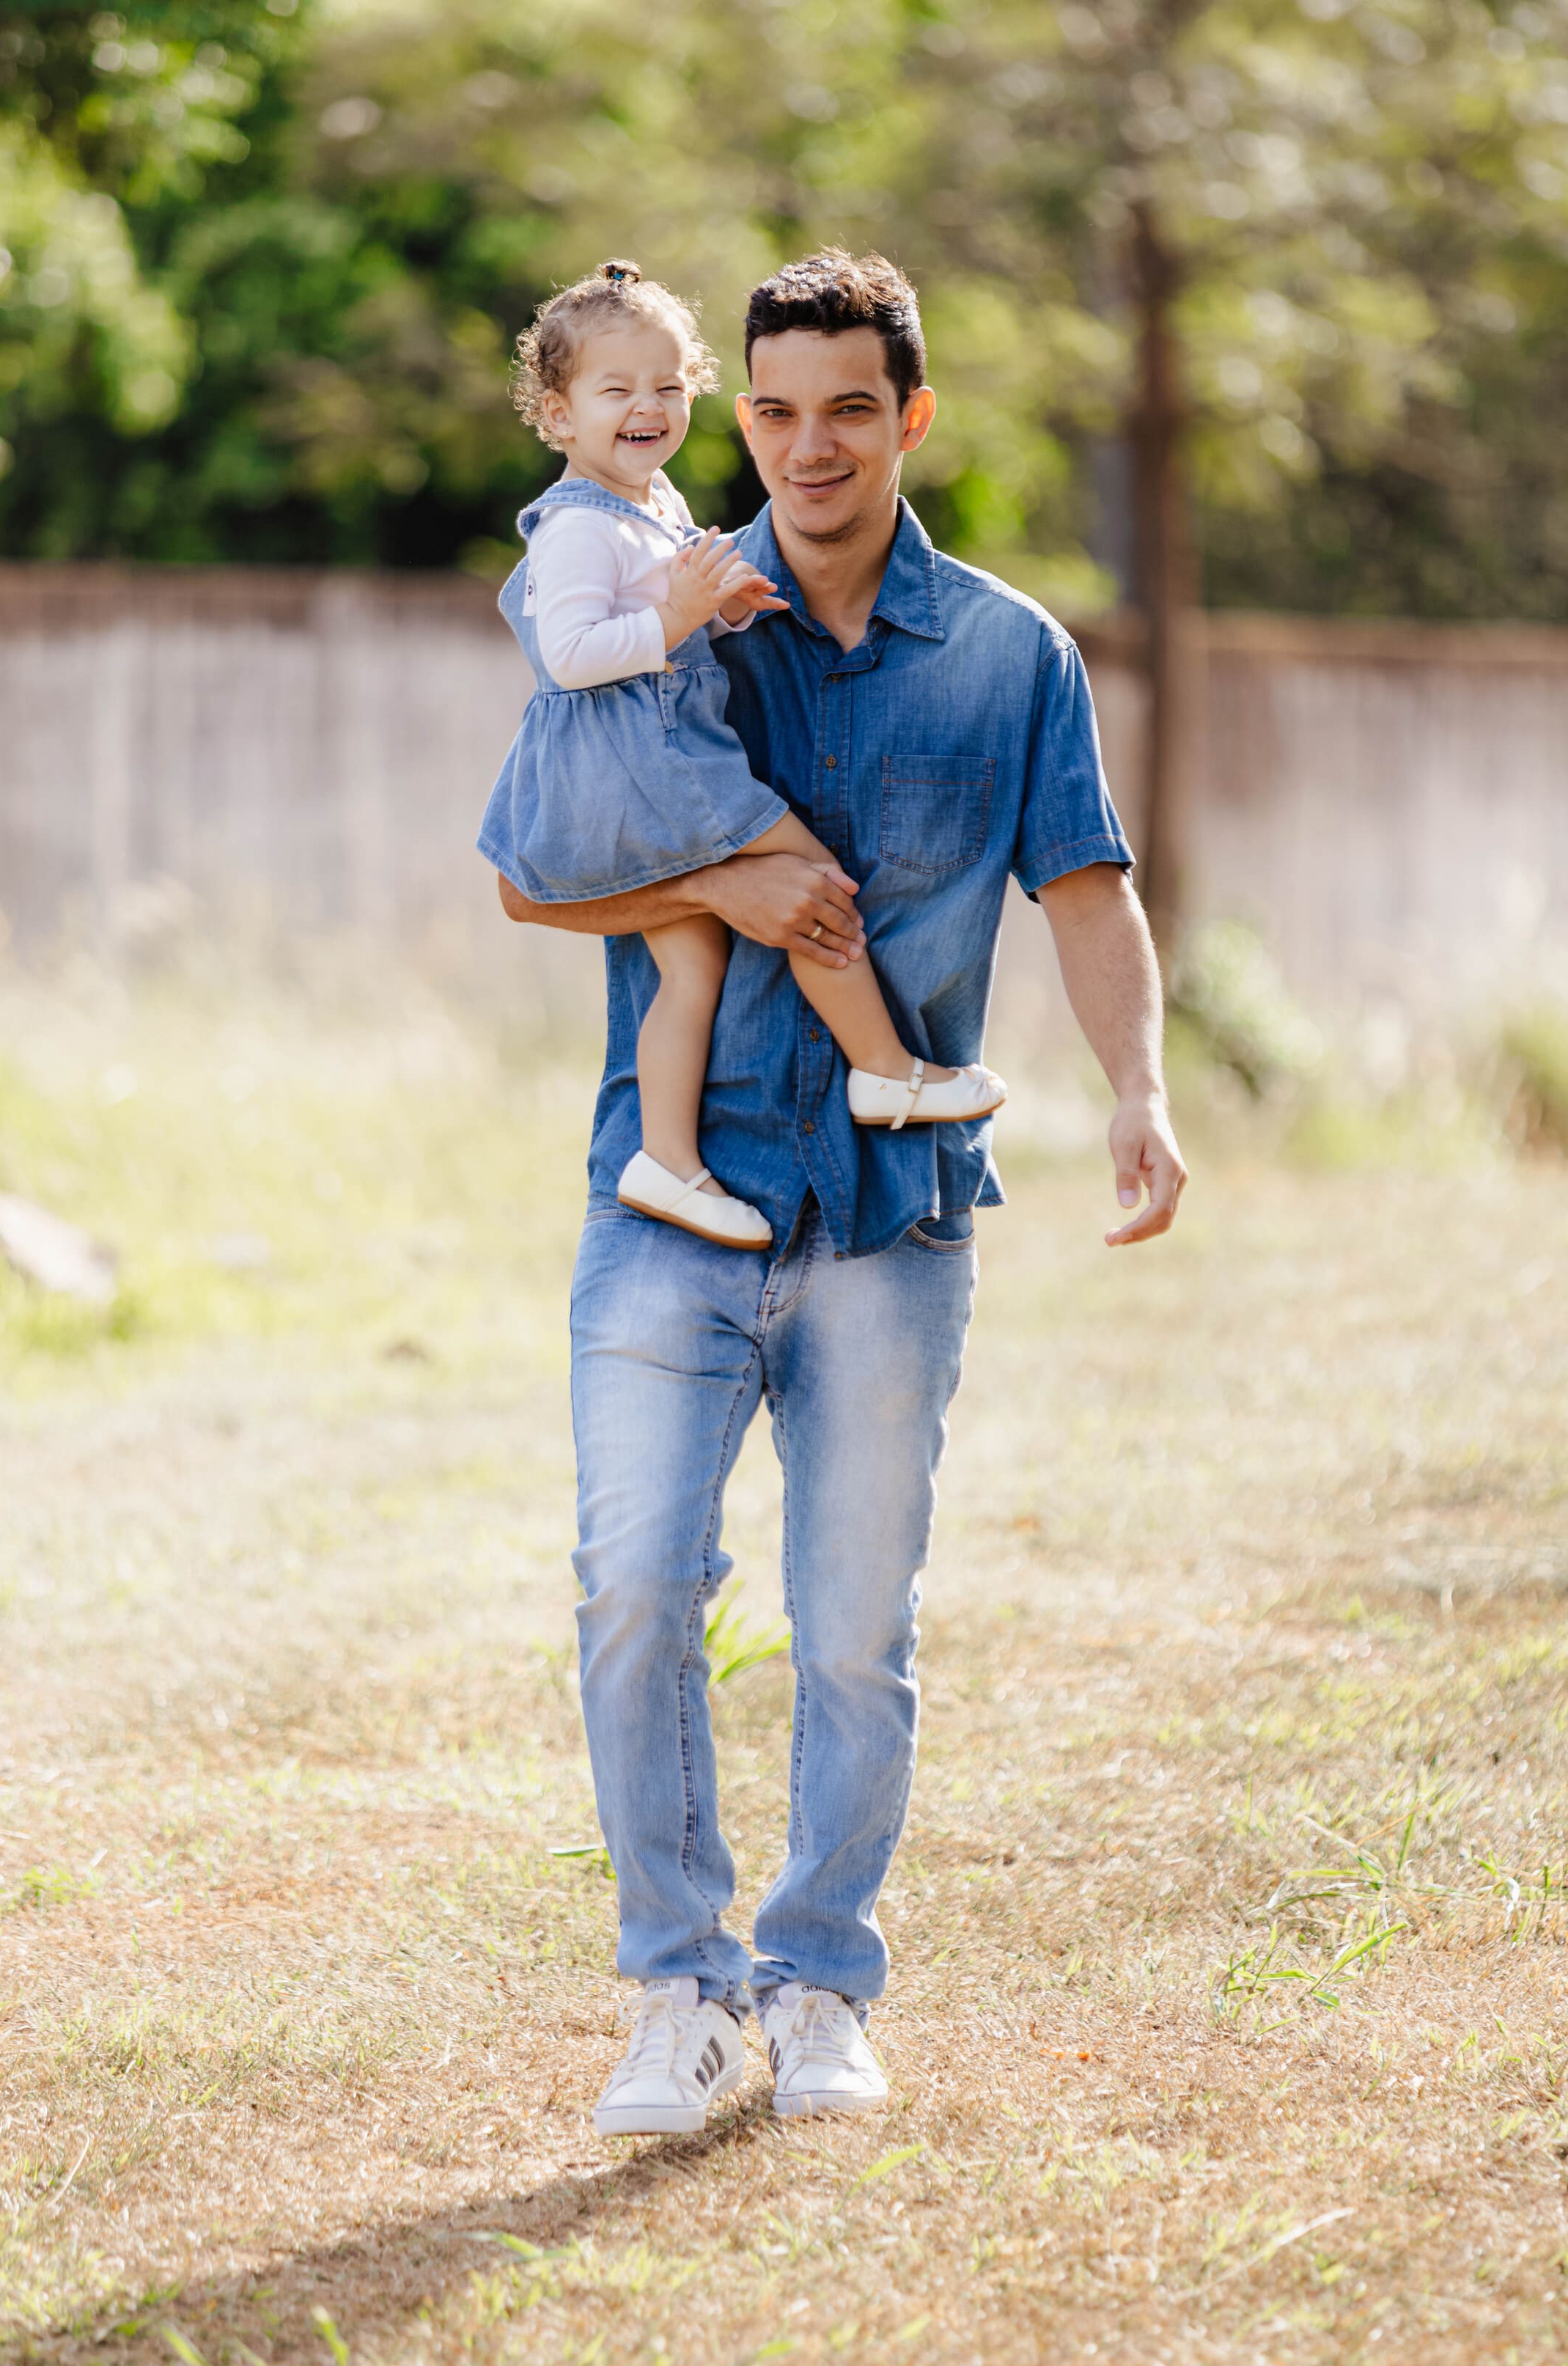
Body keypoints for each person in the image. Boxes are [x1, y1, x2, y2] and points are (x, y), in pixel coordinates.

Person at [496, 249, 1188, 2134]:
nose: (808, 447)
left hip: (896, 1216)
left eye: (848, 411)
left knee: (855, 1629)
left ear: (911, 418)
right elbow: (529, 874)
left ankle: (816, 1983)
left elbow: (1084, 881)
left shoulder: (1009, 655)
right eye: (776, 411)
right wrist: (719, 890)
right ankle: (676, 1992)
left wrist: (1136, 1086)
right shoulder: (666, 604)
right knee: (635, 1591)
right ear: (744, 420)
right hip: (675, 1200)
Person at [479, 259, 1004, 1254]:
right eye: (617, 390)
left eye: (670, 386)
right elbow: (573, 656)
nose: (650, 408)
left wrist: (711, 610)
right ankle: (885, 1064)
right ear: (557, 417)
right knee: (809, 878)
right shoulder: (577, 527)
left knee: (693, 965)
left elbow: (656, 625)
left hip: (663, 755)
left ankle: (666, 1160)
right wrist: (678, 613)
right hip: (663, 769)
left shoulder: (650, 502)